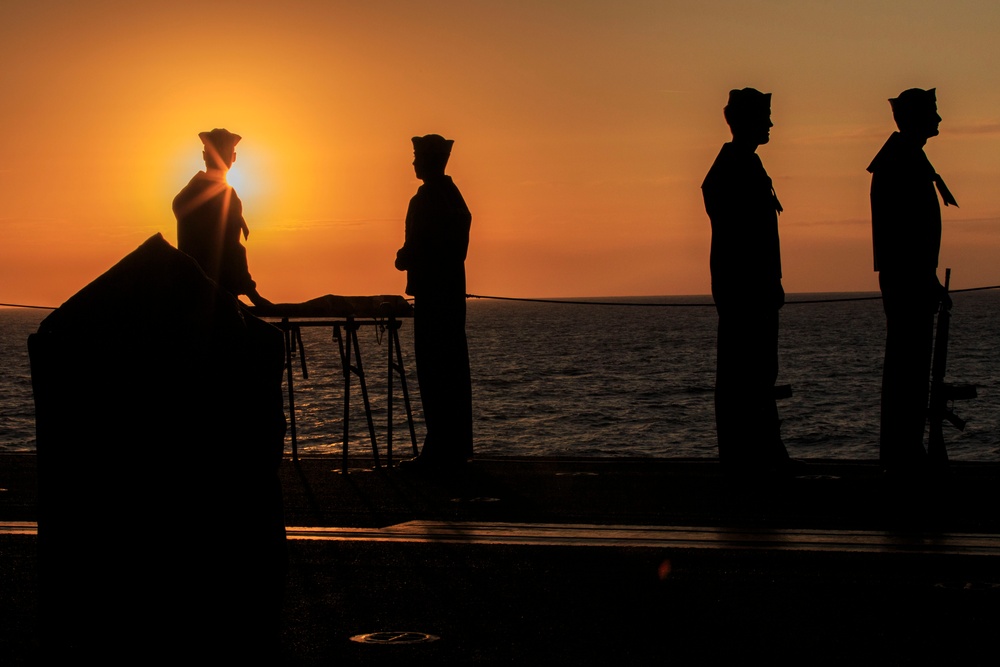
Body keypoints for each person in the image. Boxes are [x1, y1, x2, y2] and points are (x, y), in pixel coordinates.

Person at [702, 88, 792, 476]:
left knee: (758, 373)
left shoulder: (745, 165)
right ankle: (747, 457)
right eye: (764, 116)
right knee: (744, 375)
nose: (770, 123)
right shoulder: (733, 168)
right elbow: (740, 237)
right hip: (745, 292)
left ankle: (761, 451)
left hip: (755, 288)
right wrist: (760, 282)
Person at [868, 88, 958, 476]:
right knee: (906, 367)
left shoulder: (908, 158)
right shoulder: (899, 161)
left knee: (913, 367)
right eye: (932, 113)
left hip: (914, 277)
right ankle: (901, 451)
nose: (938, 120)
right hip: (907, 280)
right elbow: (904, 234)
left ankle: (904, 447)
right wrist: (924, 277)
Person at [395, 134, 473, 470]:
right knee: (454, 371)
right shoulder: (455, 198)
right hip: (453, 296)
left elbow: (414, 249)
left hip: (432, 297)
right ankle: (456, 447)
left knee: (434, 373)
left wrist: (402, 257)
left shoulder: (425, 199)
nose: (413, 162)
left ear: (429, 160)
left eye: (417, 156)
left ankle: (438, 451)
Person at [173, 128, 270, 307]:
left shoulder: (228, 193)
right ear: (205, 156)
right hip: (204, 285)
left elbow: (234, 247)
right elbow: (224, 247)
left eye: (225, 154)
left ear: (233, 157)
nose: (221, 159)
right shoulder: (194, 192)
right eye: (216, 153)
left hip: (222, 287)